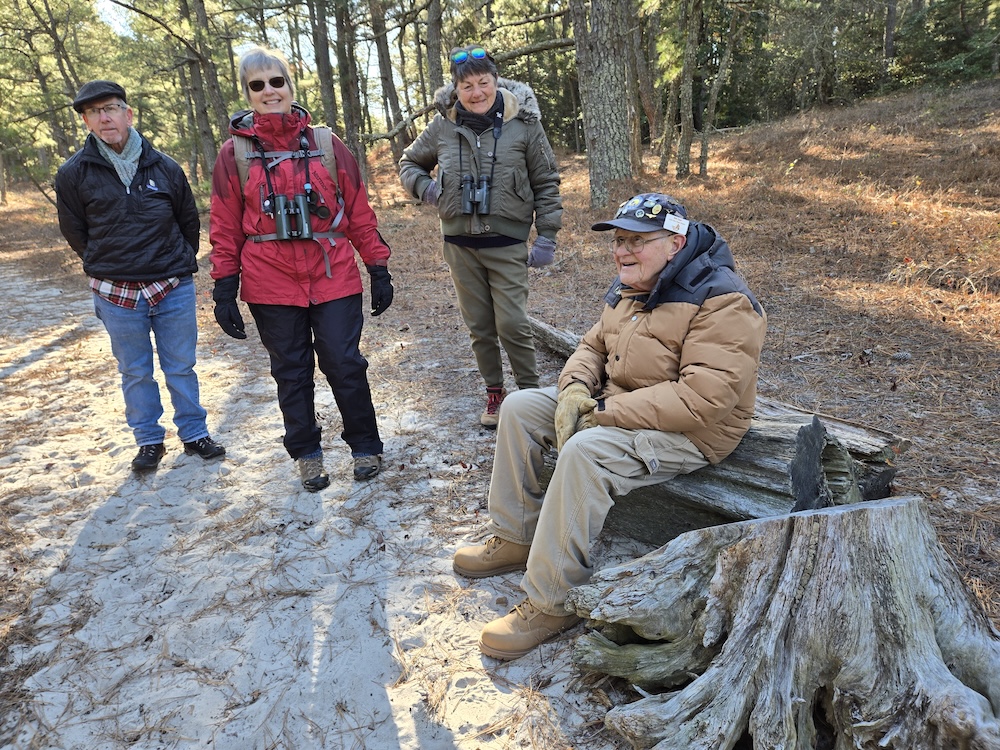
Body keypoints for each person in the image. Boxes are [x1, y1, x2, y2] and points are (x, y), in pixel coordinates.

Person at [453, 193, 768, 660]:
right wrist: (578, 388)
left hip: (695, 432)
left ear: (675, 243)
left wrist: (600, 413)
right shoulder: (634, 283)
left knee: (586, 451)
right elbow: (592, 346)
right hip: (620, 403)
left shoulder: (723, 300)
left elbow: (704, 399)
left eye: (636, 241)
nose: (622, 251)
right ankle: (517, 535)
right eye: (618, 240)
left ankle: (553, 599)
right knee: (519, 407)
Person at [209, 46, 393, 491]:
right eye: (258, 85)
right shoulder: (233, 154)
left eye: (277, 81)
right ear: (248, 94)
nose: (269, 91)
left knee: (344, 362)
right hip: (269, 280)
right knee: (290, 370)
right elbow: (224, 223)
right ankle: (307, 453)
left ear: (291, 85)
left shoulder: (327, 144)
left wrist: (377, 266)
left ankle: (365, 445)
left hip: (332, 274)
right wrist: (223, 285)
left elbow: (358, 211)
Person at [55, 80, 225, 474]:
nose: (105, 117)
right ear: (86, 122)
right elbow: (74, 232)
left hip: (171, 286)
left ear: (128, 114)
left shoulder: (165, 167)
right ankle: (149, 441)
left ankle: (194, 433)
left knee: (180, 365)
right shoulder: (73, 174)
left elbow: (188, 221)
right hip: (115, 291)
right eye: (94, 112)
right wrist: (105, 262)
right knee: (135, 370)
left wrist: (177, 261)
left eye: (111, 108)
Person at [399, 44, 563, 428]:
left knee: (512, 324)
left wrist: (547, 236)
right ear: (456, 88)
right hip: (459, 245)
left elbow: (546, 180)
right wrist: (428, 189)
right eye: (467, 85)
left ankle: (530, 395)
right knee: (479, 326)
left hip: (507, 243)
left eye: (483, 82)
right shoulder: (443, 125)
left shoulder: (524, 122)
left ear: (495, 81)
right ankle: (495, 393)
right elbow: (409, 162)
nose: (476, 93)